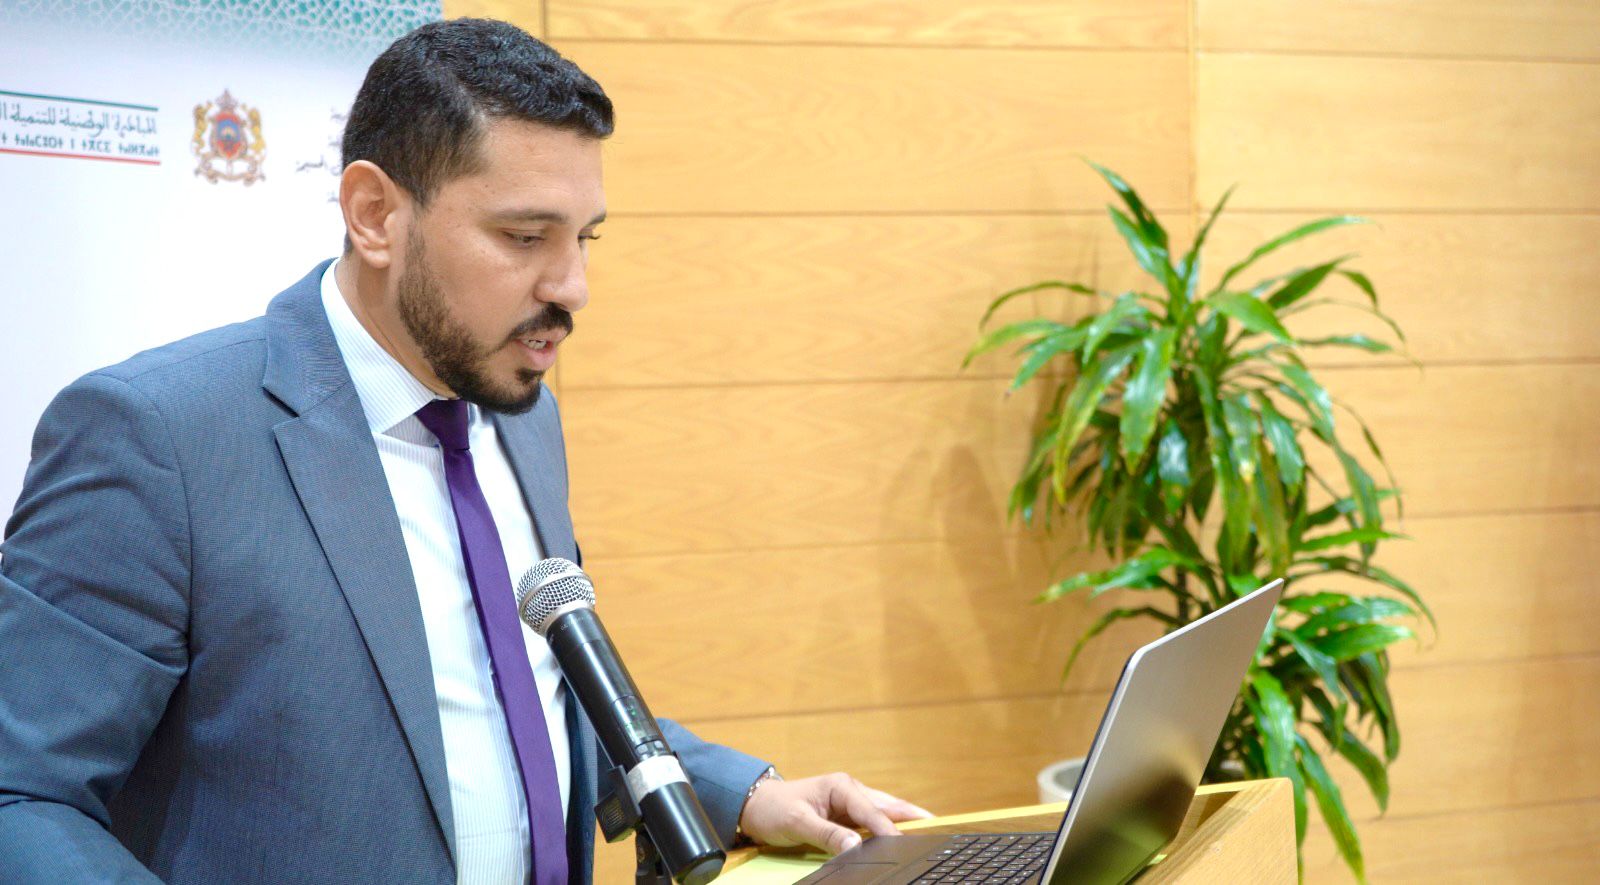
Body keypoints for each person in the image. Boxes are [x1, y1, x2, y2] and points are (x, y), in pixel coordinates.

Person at [0, 18, 929, 884]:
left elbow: (525, 700)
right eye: (524, 237)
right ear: (374, 214)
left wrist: (736, 792)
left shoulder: (523, 413)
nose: (573, 286)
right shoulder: (158, 436)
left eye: (584, 239)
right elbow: (21, 796)